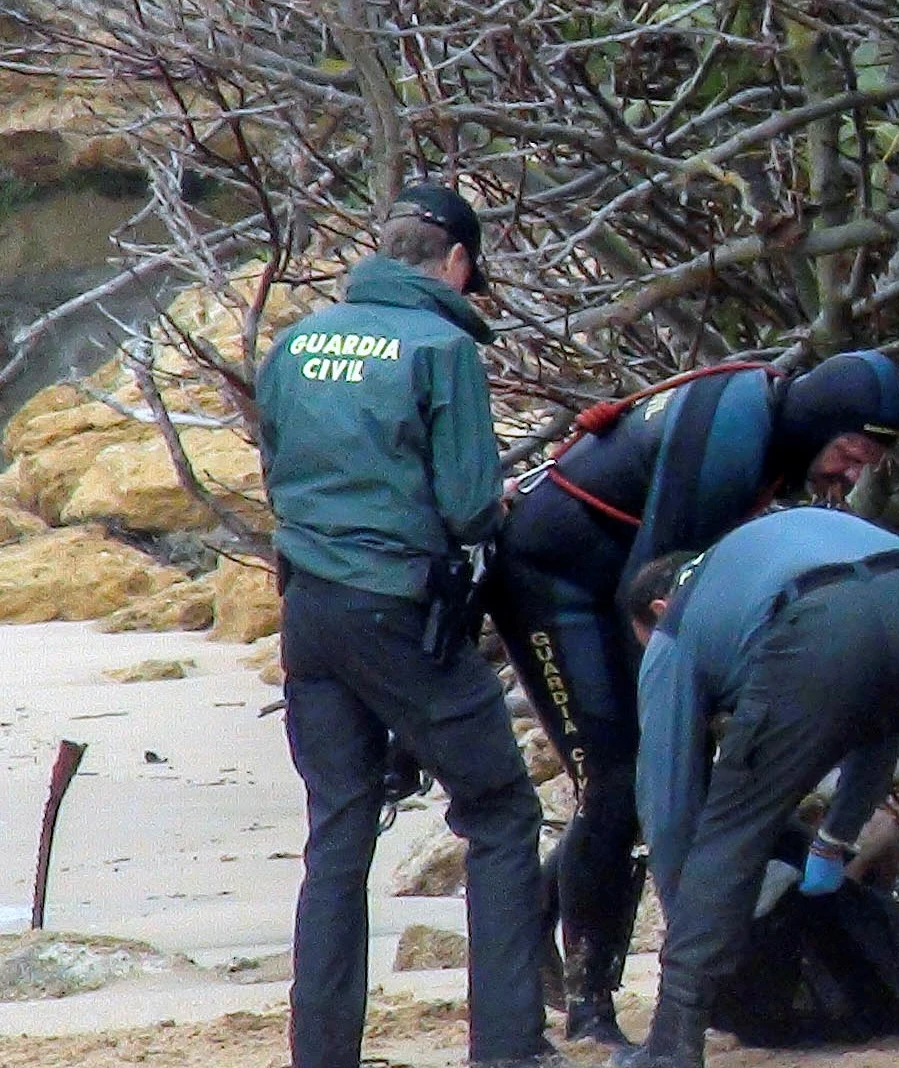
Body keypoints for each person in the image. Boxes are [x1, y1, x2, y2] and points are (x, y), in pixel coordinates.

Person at [484, 350, 899, 1047]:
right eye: (850, 453)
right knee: (622, 783)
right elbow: (654, 594)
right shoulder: (731, 439)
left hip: (615, 579)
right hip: (552, 582)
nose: (852, 474)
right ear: (819, 423)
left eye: (868, 463)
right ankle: (591, 1006)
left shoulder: (771, 427)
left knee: (642, 776)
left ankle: (538, 924)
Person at [256, 183, 562, 1068]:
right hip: (398, 612)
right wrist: (494, 504)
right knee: (500, 810)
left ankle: (323, 1054)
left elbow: (278, 471)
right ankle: (509, 1047)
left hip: (308, 610)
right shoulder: (442, 348)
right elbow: (469, 507)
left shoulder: (296, 342)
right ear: (458, 263)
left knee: (338, 835)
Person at [612, 506, 899, 1068]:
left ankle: (673, 1044)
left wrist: (689, 916)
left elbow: (671, 806)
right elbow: (880, 723)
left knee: (731, 833)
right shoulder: (767, 552)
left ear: (658, 608)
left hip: (816, 629)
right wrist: (834, 838)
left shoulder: (677, 626)